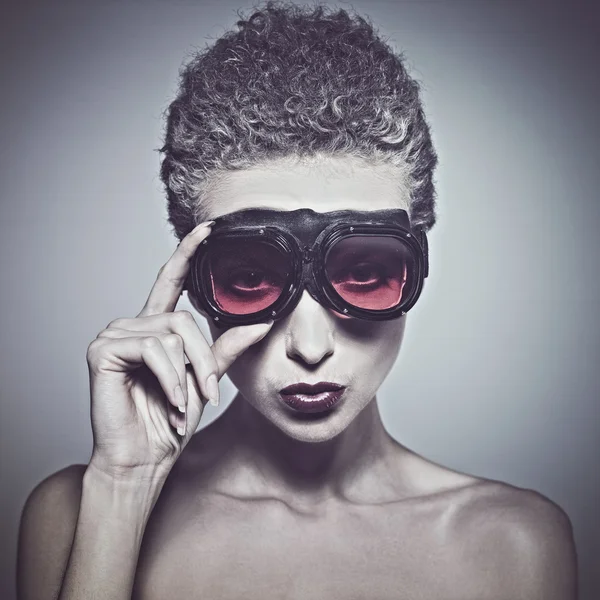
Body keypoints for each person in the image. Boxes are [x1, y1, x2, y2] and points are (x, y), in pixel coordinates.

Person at [17, 3, 577, 599]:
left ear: (415, 263)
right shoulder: (78, 512)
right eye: (251, 278)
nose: (310, 347)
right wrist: (125, 489)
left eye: (364, 272)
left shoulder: (513, 544)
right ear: (193, 281)